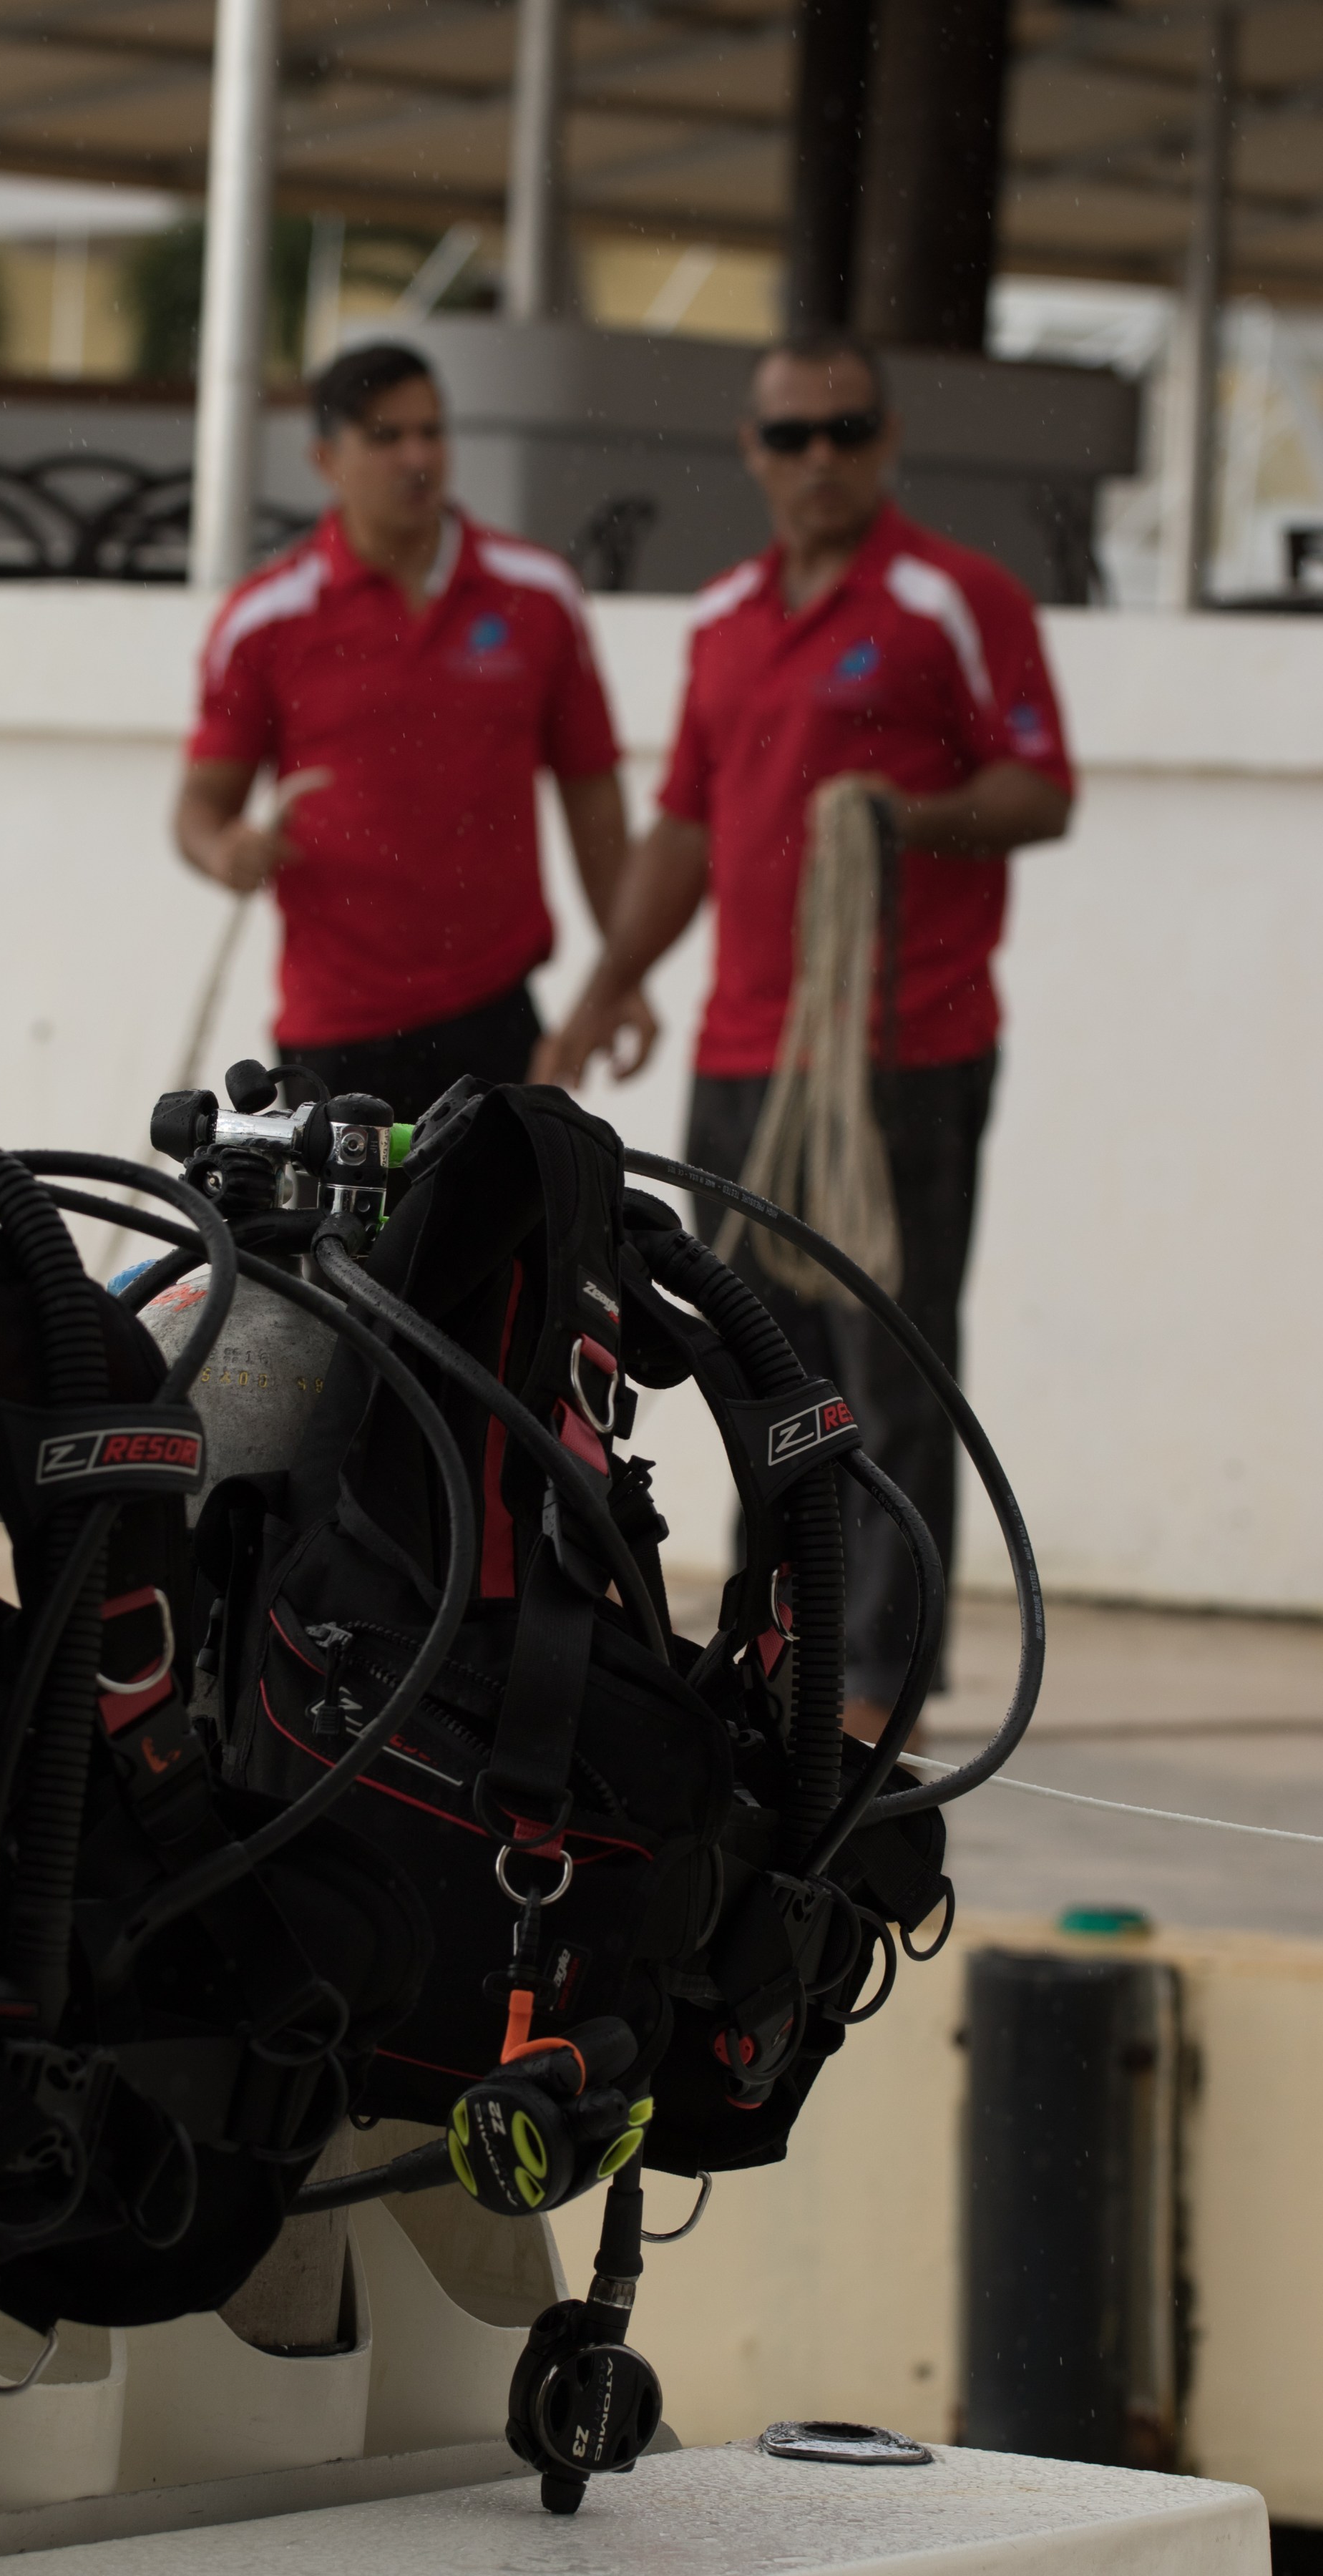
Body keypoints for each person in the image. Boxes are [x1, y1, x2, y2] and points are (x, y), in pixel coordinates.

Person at [535, 327, 1075, 1742]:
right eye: (791, 436)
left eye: (845, 432)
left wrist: (902, 817)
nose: (818, 460)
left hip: (904, 1049)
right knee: (749, 1363)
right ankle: (779, 1644)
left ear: (886, 443)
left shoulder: (955, 599)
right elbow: (688, 824)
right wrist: (599, 995)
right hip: (741, 1052)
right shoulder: (722, 616)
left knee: (892, 1370)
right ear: (753, 452)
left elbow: (1040, 789)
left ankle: (880, 1683)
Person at [176, 340, 653, 1121]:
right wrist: (228, 852)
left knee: (509, 1246)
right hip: (333, 1026)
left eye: (432, 432)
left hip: (496, 1014)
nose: (417, 456)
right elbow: (198, 809)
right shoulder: (265, 618)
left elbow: (593, 799)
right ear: (326, 458)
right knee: (348, 1248)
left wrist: (622, 974)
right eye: (386, 437)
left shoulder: (537, 596)